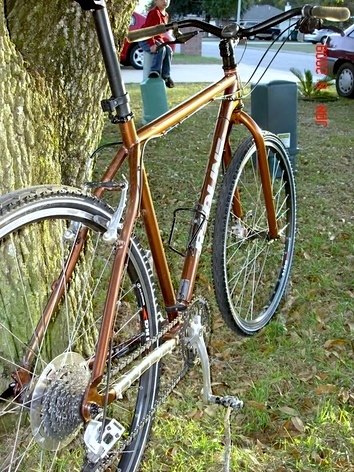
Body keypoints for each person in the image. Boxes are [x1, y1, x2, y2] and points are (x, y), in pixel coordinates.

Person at [140, 0, 174, 88]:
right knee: (160, 48)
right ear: (156, 1)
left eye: (167, 0)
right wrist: (151, 44)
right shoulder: (154, 13)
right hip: (145, 39)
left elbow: (159, 34)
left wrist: (162, 43)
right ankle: (154, 71)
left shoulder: (166, 15)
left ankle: (166, 75)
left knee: (168, 50)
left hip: (155, 39)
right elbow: (148, 30)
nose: (165, 1)